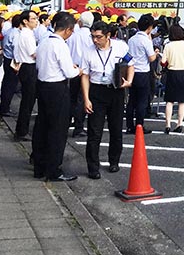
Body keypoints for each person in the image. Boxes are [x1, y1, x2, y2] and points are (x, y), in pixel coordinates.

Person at [81, 20, 133, 179]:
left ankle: (114, 161)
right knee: (94, 131)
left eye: (98, 37)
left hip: (115, 90)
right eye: (93, 37)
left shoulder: (120, 47)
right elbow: (85, 75)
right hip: (96, 91)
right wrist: (86, 99)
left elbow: (131, 64)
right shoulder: (88, 51)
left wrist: (129, 81)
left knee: (116, 128)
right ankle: (93, 167)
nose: (95, 40)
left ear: (108, 35)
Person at [32, 11, 80, 182]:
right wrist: (78, 70)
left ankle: (39, 166)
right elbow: (69, 72)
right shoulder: (60, 45)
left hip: (43, 84)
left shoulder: (44, 41)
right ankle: (54, 169)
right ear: (67, 29)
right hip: (57, 88)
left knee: (42, 127)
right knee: (58, 130)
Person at [161, 25, 184, 133]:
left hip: (172, 73)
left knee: (169, 100)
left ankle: (167, 124)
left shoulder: (168, 46)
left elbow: (163, 62)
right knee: (182, 101)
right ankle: (179, 124)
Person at [127, 14, 157, 132]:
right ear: (149, 27)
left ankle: (130, 126)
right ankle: (139, 125)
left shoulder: (132, 39)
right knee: (142, 101)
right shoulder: (145, 40)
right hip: (143, 73)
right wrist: (155, 53)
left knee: (132, 100)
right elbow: (151, 58)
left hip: (131, 72)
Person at [67, 11, 95, 137]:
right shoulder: (91, 37)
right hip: (86, 70)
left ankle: (69, 122)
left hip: (73, 68)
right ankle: (79, 127)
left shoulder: (72, 35)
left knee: (72, 98)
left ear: (80, 22)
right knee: (82, 98)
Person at [13, 10, 39, 141]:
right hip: (28, 67)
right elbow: (33, 53)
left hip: (25, 66)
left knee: (27, 101)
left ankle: (22, 129)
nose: (36, 21)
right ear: (25, 21)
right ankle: (22, 131)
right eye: (33, 18)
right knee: (28, 101)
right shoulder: (27, 34)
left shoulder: (26, 33)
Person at [0, 13, 22, 118]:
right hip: (12, 60)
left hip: (7, 58)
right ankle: (5, 108)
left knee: (7, 84)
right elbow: (16, 48)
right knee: (10, 86)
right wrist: (17, 63)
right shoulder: (16, 34)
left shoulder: (8, 31)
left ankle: (4, 107)